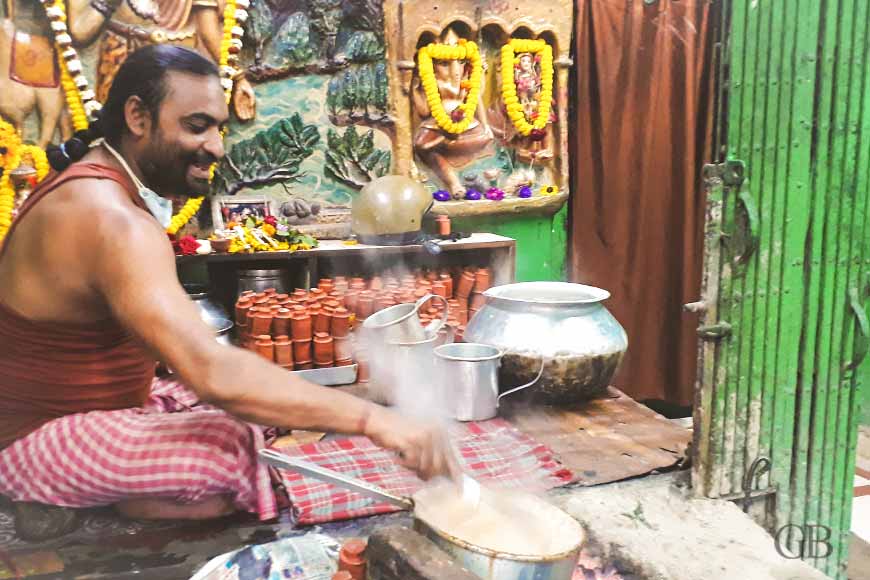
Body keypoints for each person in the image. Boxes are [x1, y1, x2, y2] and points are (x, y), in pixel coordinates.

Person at [0, 45, 454, 540]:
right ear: (137, 116)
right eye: (197, 126)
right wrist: (374, 421)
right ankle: (108, 496)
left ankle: (123, 486)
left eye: (219, 128)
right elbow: (214, 374)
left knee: (257, 417)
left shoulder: (106, 191)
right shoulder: (108, 217)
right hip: (30, 440)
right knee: (228, 459)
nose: (217, 147)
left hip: (103, 410)